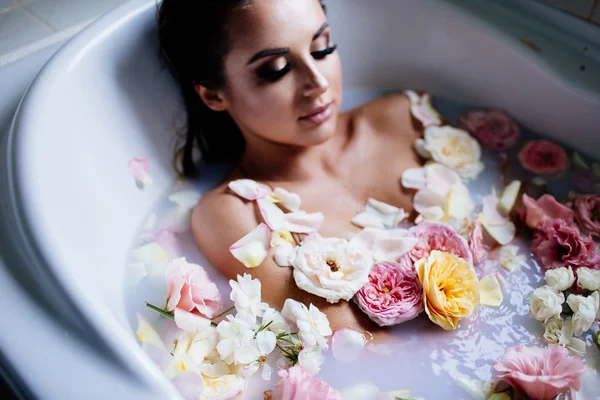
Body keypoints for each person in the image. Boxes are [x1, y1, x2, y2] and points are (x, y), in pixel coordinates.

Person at [158, 0, 423, 333]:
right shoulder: (235, 213)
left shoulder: (401, 117)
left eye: (322, 48)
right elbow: (356, 342)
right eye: (276, 70)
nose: (317, 83)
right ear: (213, 95)